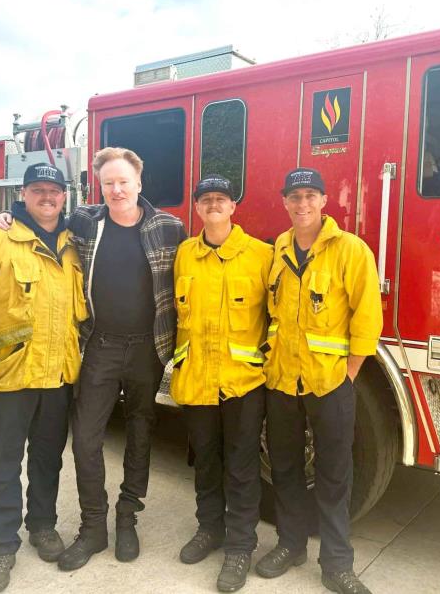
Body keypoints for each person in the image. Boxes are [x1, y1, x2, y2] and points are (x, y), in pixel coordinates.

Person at [0, 148, 186, 570]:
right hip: (99, 345)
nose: (117, 190)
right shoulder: (85, 222)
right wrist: (6, 216)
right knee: (85, 439)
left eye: (124, 181)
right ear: (100, 187)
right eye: (109, 182)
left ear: (139, 183)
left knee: (140, 431)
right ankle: (93, 526)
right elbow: (40, 218)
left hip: (147, 349)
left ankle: (127, 516)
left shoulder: (169, 227)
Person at [0, 163, 86, 593]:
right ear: (23, 194)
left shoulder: (74, 244)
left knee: (48, 459)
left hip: (58, 375)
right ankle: (1, 546)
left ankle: (42, 526)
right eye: (38, 190)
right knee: (3, 463)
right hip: (7, 376)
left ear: (65, 197)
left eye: (55, 191)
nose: (47, 197)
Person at [256, 168, 382, 594]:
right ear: (285, 202)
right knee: (285, 468)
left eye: (310, 195)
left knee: (333, 475)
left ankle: (337, 565)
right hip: (282, 381)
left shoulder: (350, 250)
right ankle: (290, 545)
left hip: (330, 384)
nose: (302, 204)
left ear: (325, 201)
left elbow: (367, 319)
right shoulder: (278, 249)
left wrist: (349, 375)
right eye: (294, 197)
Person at [171, 176, 272, 593]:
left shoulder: (261, 255)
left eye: (221, 199)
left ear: (234, 207)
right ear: (196, 208)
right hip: (197, 379)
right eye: (206, 200)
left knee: (242, 468)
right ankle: (208, 529)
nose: (213, 205)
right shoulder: (184, 255)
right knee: (206, 462)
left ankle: (240, 546)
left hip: (243, 383)